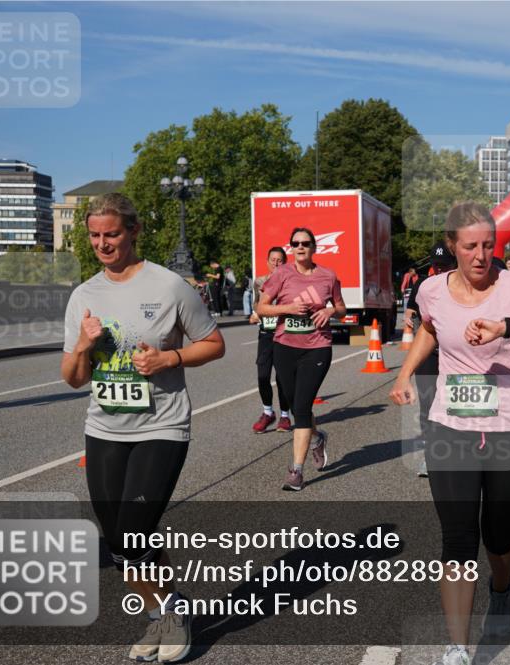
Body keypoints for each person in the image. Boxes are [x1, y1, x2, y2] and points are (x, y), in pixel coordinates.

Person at [389, 202, 510, 665]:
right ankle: (457, 646)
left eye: (488, 245)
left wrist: (505, 326)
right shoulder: (431, 289)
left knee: (498, 534)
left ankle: (502, 586)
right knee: (456, 537)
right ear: (452, 246)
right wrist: (405, 374)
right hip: (452, 424)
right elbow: (428, 330)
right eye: (470, 246)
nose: (480, 255)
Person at [60, 193, 225, 662]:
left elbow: (214, 344)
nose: (102, 244)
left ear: (133, 231)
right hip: (105, 428)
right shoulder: (84, 295)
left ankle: (172, 614)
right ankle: (161, 616)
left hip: (161, 426)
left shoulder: (169, 286)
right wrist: (81, 344)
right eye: (94, 235)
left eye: (111, 233)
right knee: (118, 541)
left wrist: (168, 357)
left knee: (135, 530)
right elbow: (73, 378)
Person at [257, 227, 347, 491]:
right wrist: (288, 308)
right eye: (295, 244)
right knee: (297, 407)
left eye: (305, 243)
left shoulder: (327, 276)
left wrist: (330, 311)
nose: (300, 247)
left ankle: (296, 471)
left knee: (303, 407)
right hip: (285, 346)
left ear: (314, 247)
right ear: (291, 248)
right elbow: (261, 308)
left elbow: (342, 308)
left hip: (317, 348)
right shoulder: (281, 274)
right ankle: (317, 438)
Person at [403, 241, 457, 478]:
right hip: (429, 355)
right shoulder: (424, 285)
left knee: (456, 405)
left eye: (444, 266)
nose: (440, 271)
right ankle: (430, 456)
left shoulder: (462, 285)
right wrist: (412, 322)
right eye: (436, 266)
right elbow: (409, 313)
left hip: (457, 357)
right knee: (427, 407)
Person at [250, 247, 292, 434]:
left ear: (285, 262)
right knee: (262, 375)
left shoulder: (291, 282)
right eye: (273, 260)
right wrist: (254, 315)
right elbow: (257, 306)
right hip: (266, 334)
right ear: (267, 262)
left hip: (284, 334)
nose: (276, 263)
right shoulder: (259, 281)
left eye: (280, 260)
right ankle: (268, 412)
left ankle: (284, 415)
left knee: (282, 377)